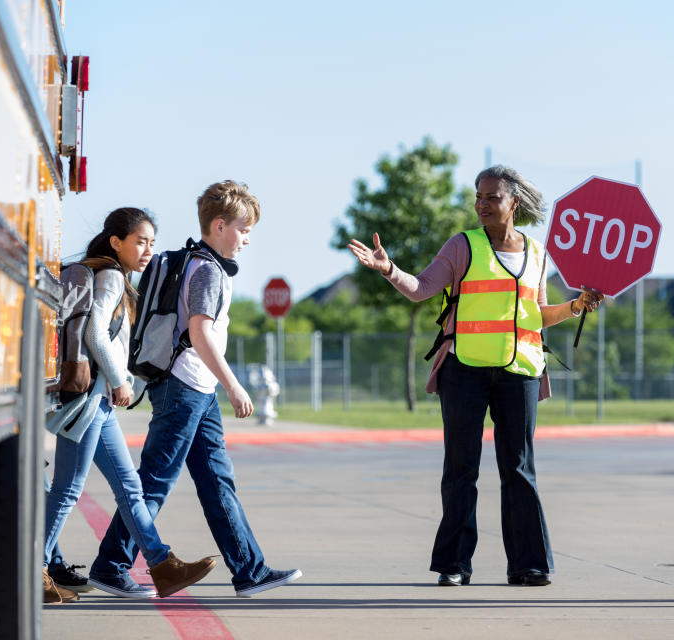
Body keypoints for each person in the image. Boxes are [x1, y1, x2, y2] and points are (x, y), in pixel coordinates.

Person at [347, 165, 603, 587]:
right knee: (461, 467)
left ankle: (528, 564)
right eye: (478, 197)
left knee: (518, 468)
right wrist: (389, 269)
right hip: (464, 368)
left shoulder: (537, 254)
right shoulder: (463, 246)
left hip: (519, 370)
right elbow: (421, 288)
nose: (482, 205)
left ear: (513, 204)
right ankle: (453, 564)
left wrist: (575, 306)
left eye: (492, 198)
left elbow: (537, 315)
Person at [89, 181, 302, 597]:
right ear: (219, 226)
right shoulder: (206, 269)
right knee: (154, 482)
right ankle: (111, 566)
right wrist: (235, 385)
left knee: (216, 482)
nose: (246, 239)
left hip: (195, 390)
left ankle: (249, 571)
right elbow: (200, 333)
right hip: (185, 388)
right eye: (243, 229)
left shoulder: (199, 264)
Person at [44, 207, 216, 603]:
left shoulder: (116, 278)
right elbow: (94, 333)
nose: (148, 251)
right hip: (92, 400)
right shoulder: (109, 277)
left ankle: (162, 566)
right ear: (116, 241)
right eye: (141, 241)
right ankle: (35, 570)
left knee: (130, 488)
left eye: (152, 243)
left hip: (98, 405)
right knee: (70, 490)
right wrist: (120, 380)